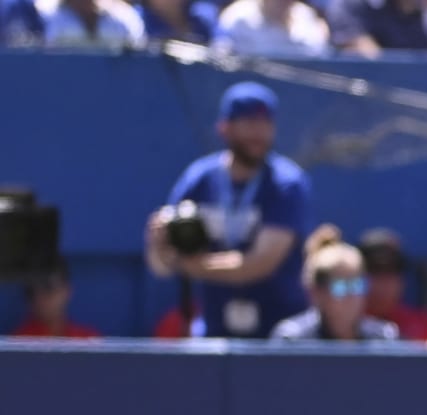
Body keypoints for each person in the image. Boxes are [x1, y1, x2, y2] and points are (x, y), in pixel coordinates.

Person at [144, 82, 312, 339]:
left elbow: (258, 264)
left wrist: (188, 266)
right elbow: (161, 268)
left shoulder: (285, 183)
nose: (258, 133)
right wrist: (158, 244)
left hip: (279, 333)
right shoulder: (200, 178)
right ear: (225, 127)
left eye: (265, 124)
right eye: (249, 123)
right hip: (214, 328)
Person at [270, 225, 399, 341]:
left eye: (357, 286)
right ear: (317, 293)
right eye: (341, 288)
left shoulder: (384, 337)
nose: (351, 297)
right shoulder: (291, 339)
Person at [358, 227, 427, 347]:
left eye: (391, 272)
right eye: (374, 272)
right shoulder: (344, 322)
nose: (383, 283)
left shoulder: (422, 323)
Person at [10, 261, 100, 338]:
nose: (39, 298)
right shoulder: (17, 343)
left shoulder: (89, 341)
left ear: (67, 290)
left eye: (48, 288)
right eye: (30, 292)